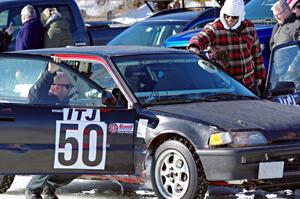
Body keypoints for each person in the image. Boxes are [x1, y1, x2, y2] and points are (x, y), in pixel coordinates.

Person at [187, 0, 265, 96]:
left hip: (249, 84)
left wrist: (259, 77)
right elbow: (200, 37)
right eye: (227, 16)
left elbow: (257, 54)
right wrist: (194, 46)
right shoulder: (215, 28)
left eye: (234, 17)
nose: (230, 19)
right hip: (225, 86)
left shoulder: (249, 27)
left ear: (240, 16)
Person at [26, 57, 79, 199]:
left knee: (80, 161)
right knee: (52, 153)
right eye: (67, 87)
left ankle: (49, 187)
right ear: (56, 86)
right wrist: (49, 73)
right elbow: (35, 94)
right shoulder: (43, 99)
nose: (70, 90)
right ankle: (32, 189)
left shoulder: (67, 101)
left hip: (62, 142)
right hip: (38, 143)